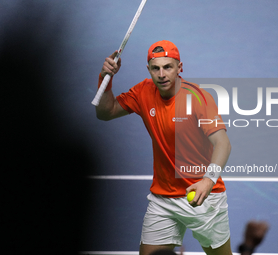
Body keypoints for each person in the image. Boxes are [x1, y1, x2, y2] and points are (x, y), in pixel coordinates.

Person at [95, 40, 232, 255]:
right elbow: (106, 112)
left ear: (180, 67)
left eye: (168, 67)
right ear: (148, 69)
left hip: (203, 195)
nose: (162, 74)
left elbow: (222, 142)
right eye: (155, 68)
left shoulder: (197, 98)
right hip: (163, 199)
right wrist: (106, 79)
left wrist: (208, 180)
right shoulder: (143, 91)